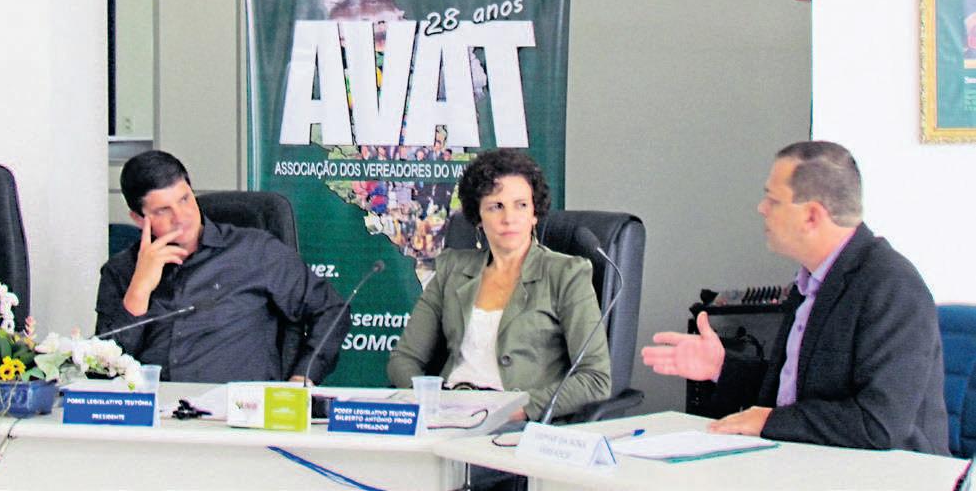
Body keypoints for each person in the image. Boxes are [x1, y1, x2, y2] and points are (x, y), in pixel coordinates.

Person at [641, 141, 949, 454]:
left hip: (890, 473)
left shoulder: (893, 286)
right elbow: (795, 392)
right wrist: (722, 367)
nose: (761, 208)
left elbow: (879, 424)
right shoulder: (811, 282)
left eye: (773, 200)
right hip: (811, 463)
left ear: (812, 216)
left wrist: (769, 421)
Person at [387, 149, 611, 422]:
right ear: (478, 216)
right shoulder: (452, 269)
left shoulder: (567, 274)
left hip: (518, 425)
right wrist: (430, 403)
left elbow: (595, 379)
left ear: (535, 213)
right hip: (447, 417)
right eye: (496, 206)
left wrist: (518, 410)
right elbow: (404, 359)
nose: (509, 218)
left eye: (521, 205)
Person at [95, 150, 348, 383]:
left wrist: (303, 377)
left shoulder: (254, 250)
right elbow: (100, 371)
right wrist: (138, 291)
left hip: (237, 408)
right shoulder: (121, 271)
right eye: (163, 210)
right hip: (155, 409)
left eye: (184, 199)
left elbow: (331, 309)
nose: (181, 217)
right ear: (139, 219)